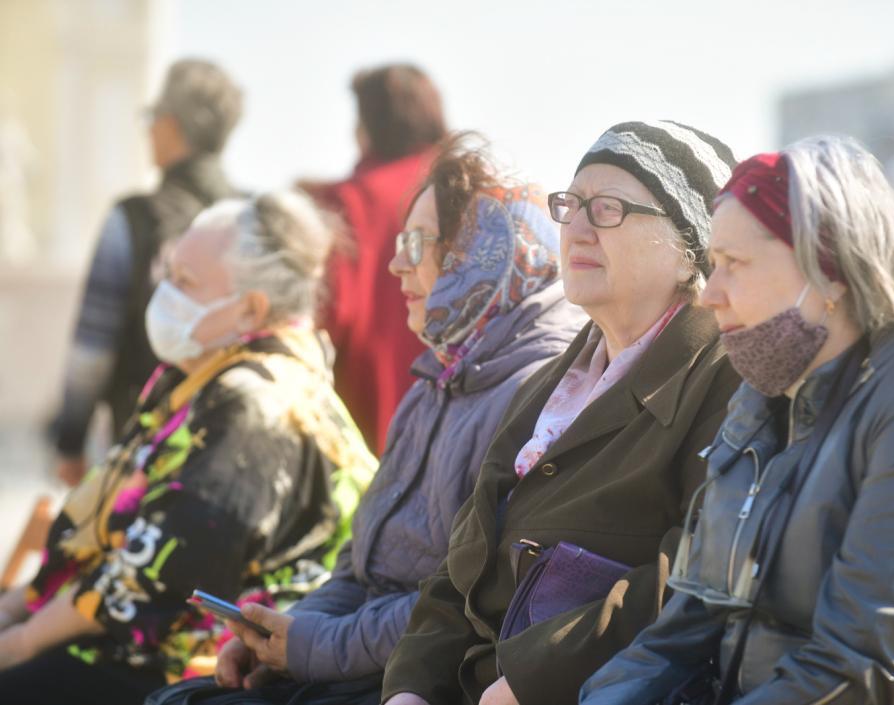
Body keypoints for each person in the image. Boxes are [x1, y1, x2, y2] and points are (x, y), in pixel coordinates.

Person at [579, 136, 894, 705]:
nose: (711, 294)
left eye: (734, 264)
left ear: (830, 271)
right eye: (712, 265)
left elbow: (856, 670)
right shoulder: (765, 401)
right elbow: (680, 635)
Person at [144, 134, 585, 705]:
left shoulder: (535, 396)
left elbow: (460, 602)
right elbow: (361, 568)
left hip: (422, 681)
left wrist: (311, 646)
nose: (396, 263)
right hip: (360, 663)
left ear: (482, 253)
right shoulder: (439, 378)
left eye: (417, 243)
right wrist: (281, 637)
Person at [381, 120, 742, 705]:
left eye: (607, 209)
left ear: (688, 251)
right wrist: (410, 689)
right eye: (570, 205)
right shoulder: (552, 383)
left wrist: (532, 680)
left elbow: (696, 573)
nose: (574, 229)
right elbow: (461, 567)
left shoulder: (724, 378)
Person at [0, 191, 378, 705]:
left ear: (250, 308)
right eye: (168, 273)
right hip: (130, 638)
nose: (165, 293)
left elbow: (159, 575)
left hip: (202, 667)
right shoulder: (207, 374)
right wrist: (17, 608)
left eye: (185, 282)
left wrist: (21, 640)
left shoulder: (258, 404)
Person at [52, 58, 244, 486]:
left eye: (152, 117)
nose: (149, 130)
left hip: (142, 448)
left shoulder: (132, 219)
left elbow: (92, 349)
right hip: (231, 445)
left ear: (171, 125)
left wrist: (69, 443)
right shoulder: (252, 218)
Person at [304, 63, 447, 455]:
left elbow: (324, 319)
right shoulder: (468, 191)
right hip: (462, 423)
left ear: (367, 126)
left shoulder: (351, 201)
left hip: (372, 425)